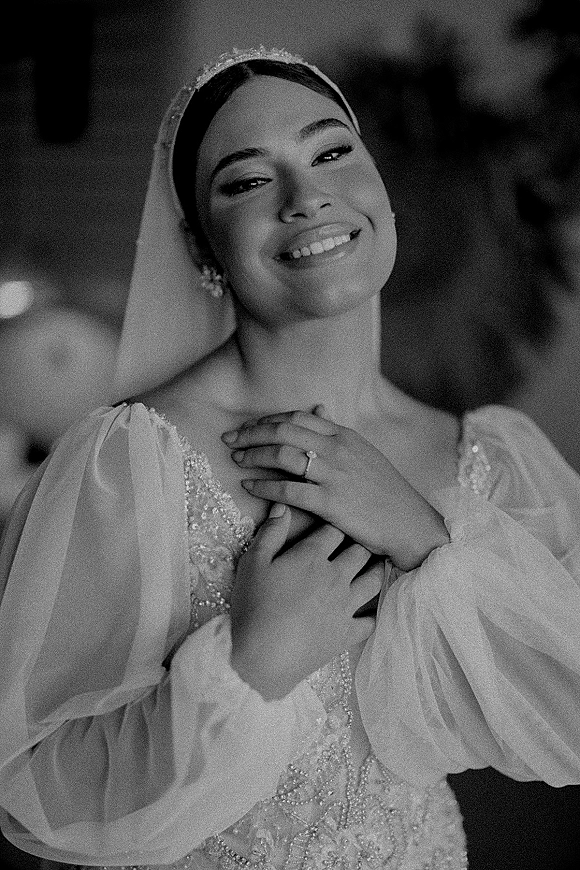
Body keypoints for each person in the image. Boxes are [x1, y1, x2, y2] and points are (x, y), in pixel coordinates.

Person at [1, 46, 580, 870]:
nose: (307, 197)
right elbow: (32, 785)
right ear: (202, 248)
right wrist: (252, 663)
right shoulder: (132, 459)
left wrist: (423, 537)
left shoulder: (492, 455)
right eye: (246, 181)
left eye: (332, 152)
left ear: (380, 190)